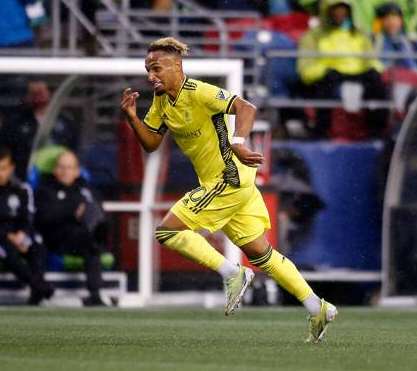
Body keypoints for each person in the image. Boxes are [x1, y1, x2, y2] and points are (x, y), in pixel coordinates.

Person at [120, 38, 339, 342]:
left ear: (177, 66)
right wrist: (132, 117)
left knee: (167, 232)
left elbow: (245, 107)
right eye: (147, 70)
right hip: (232, 184)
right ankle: (317, 307)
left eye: (156, 68)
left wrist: (238, 142)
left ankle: (232, 273)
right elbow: (151, 143)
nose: (150, 76)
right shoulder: (160, 102)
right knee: (261, 254)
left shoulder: (199, 92)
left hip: (228, 177)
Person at [0, 145, 54, 305]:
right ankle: (39, 286)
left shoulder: (22, 189)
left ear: (11, 168)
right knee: (6, 249)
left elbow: (28, 217)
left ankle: (36, 293)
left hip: (17, 236)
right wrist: (7, 235)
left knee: (37, 246)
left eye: (3, 168)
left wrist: (21, 234)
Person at [297, 0, 387, 136]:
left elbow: (371, 59)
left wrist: (374, 69)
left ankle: (377, 132)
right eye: (335, 10)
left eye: (343, 10)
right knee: (325, 84)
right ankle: (322, 133)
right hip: (330, 76)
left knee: (376, 81)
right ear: (327, 11)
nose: (340, 14)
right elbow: (305, 69)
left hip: (358, 74)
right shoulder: (313, 36)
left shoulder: (358, 33)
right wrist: (326, 69)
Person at [35, 150, 107, 307]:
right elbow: (43, 218)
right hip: (53, 239)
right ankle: (38, 292)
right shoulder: (45, 190)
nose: (65, 171)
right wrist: (72, 213)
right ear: (54, 170)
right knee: (92, 240)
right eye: (61, 167)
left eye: (69, 167)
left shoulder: (85, 190)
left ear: (77, 171)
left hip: (79, 239)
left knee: (93, 241)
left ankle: (95, 295)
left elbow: (99, 211)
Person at [0, 79, 79, 177]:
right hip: (25, 174)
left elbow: (74, 149)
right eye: (34, 93)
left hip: (60, 176)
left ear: (49, 94)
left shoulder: (65, 121)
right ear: (27, 96)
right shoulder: (16, 123)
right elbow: (5, 149)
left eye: (41, 92)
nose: (38, 97)